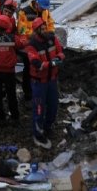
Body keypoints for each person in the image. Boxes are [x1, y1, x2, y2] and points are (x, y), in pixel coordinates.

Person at [25, 17, 65, 149]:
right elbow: (36, 63)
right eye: (41, 29)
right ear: (36, 31)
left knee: (53, 105)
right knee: (39, 109)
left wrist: (58, 58)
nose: (43, 30)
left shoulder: (52, 39)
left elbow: (60, 52)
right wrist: (51, 63)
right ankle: (38, 133)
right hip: (39, 83)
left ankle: (48, 127)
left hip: (52, 80)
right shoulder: (31, 45)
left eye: (44, 27)